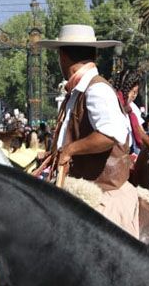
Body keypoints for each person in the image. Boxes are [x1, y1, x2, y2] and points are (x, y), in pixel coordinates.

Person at [37, 24, 143, 236]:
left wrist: (69, 150)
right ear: (93, 53)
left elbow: (109, 135)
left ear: (63, 56)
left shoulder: (96, 89)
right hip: (83, 189)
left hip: (104, 194)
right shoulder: (79, 90)